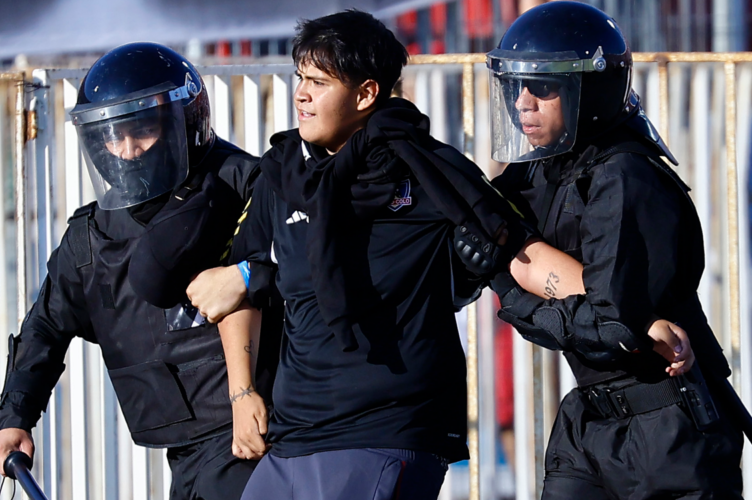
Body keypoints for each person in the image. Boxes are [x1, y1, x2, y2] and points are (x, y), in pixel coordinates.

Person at [183, 10, 688, 500]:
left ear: (365, 94)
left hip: (386, 431)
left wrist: (637, 319)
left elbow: (519, 253)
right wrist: (243, 392)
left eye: (318, 82)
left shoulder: (425, 168)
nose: (301, 94)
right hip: (293, 437)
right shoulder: (281, 171)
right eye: (300, 77)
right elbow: (238, 285)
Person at [473, 2, 748, 498]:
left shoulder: (624, 175)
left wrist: (512, 291)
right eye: (518, 86)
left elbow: (612, 324)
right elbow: (477, 228)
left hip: (666, 427)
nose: (523, 104)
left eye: (544, 87)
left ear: (590, 90)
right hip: (587, 422)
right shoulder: (546, 167)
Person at [0, 42, 279, 500]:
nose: (127, 150)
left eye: (142, 130)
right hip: (185, 452)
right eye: (112, 136)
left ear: (184, 121)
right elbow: (45, 325)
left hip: (260, 436)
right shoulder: (91, 234)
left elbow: (300, 272)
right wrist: (14, 419)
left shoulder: (248, 185)